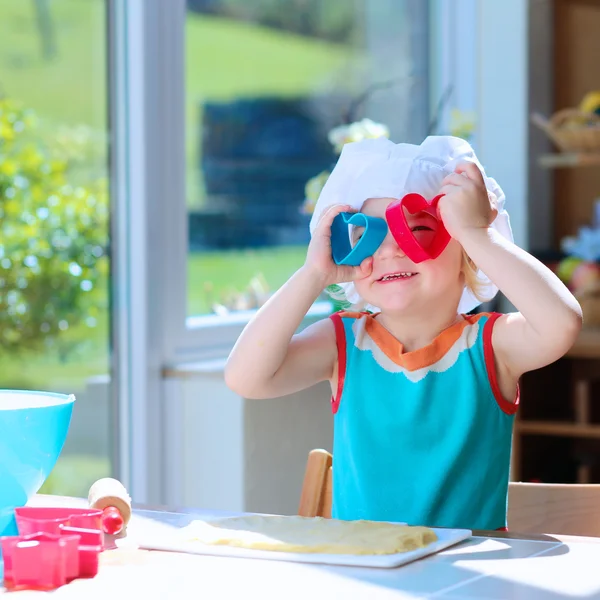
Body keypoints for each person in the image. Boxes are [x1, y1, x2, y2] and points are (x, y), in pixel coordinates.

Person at [225, 136, 582, 530]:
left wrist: (478, 233)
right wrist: (313, 275)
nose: (391, 251)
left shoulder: (491, 347)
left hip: (460, 580)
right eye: (367, 237)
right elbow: (246, 378)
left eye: (417, 231)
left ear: (466, 253)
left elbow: (561, 324)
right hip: (365, 578)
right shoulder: (342, 342)